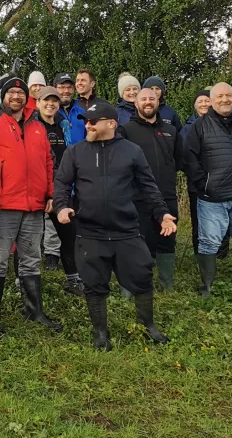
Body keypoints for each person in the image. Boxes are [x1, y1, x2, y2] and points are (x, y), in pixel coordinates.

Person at [54, 101, 175, 351]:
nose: (87, 125)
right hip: (90, 232)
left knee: (142, 277)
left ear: (111, 123)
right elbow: (62, 185)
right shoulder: (74, 152)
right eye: (85, 121)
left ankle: (147, 325)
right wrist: (61, 207)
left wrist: (163, 214)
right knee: (94, 285)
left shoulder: (132, 151)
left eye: (92, 121)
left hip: (126, 230)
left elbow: (149, 187)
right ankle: (100, 333)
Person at [0, 77, 60, 333]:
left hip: (34, 205)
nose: (16, 97)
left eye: (21, 93)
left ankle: (34, 311)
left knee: (31, 259)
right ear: (3, 96)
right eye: (11, 92)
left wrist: (51, 195)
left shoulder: (37, 126)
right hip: (3, 204)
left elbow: (48, 163)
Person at [183, 83, 232, 296]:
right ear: (211, 100)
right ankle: (207, 286)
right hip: (212, 198)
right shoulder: (199, 126)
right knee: (209, 242)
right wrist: (204, 184)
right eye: (219, 96)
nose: (225, 100)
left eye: (229, 95)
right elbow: (190, 159)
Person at [119, 88, 182, 291]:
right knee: (136, 242)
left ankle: (166, 285)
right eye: (143, 99)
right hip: (137, 198)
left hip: (167, 196)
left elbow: (178, 160)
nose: (148, 102)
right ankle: (133, 286)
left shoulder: (171, 131)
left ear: (158, 101)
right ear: (136, 104)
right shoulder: (126, 131)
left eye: (152, 99)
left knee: (167, 240)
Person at [38, 85, 85, 295]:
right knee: (28, 238)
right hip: (38, 187)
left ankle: (73, 280)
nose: (50, 104)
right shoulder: (32, 126)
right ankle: (24, 281)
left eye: (54, 100)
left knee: (69, 234)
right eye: (46, 100)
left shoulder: (64, 125)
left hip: (62, 187)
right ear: (38, 103)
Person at [182, 89, 227, 258]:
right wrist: (198, 177)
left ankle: (222, 256)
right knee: (199, 221)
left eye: (206, 100)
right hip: (197, 184)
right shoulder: (187, 128)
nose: (204, 104)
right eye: (200, 101)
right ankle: (200, 255)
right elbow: (184, 156)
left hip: (222, 181)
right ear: (195, 106)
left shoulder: (224, 123)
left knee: (222, 220)